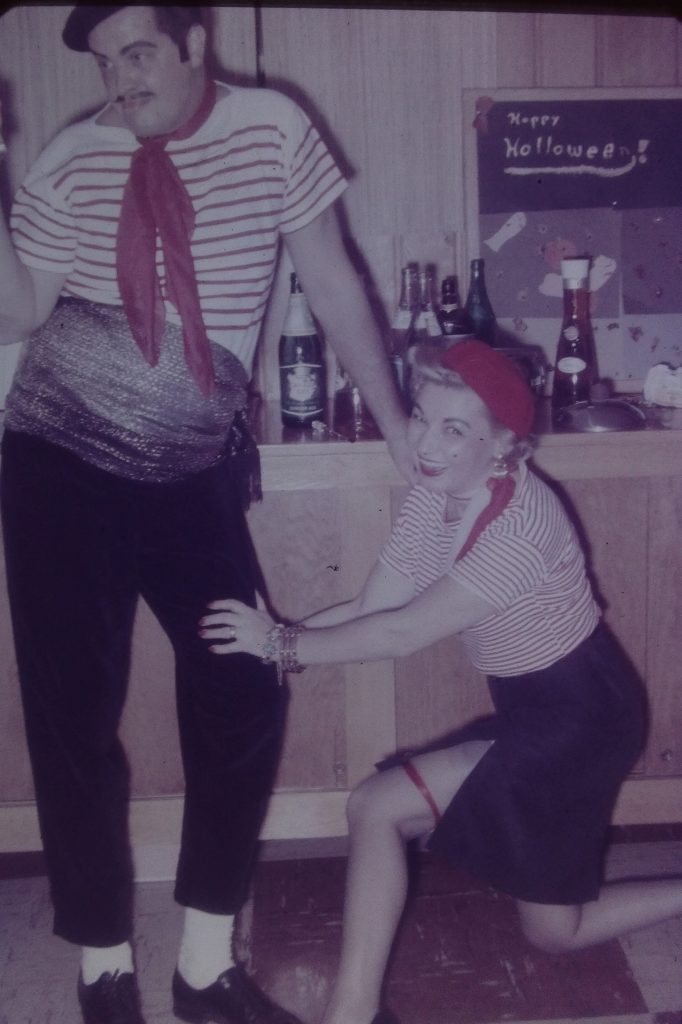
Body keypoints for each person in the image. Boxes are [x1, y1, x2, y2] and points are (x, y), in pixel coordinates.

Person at [0, 6, 412, 1024]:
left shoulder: (272, 128)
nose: (120, 81)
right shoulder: (67, 157)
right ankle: (102, 969)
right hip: (55, 462)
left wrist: (402, 430)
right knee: (72, 718)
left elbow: (329, 272)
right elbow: (18, 309)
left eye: (137, 53)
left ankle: (202, 964)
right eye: (104, 64)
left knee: (243, 684)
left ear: (195, 42)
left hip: (190, 469)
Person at [201, 339, 682, 1024]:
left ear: (503, 444)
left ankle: (351, 1014)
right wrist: (280, 638)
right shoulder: (441, 491)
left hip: (581, 717)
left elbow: (400, 636)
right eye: (423, 416)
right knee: (554, 932)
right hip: (538, 710)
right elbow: (375, 609)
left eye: (453, 429)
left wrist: (281, 646)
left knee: (377, 806)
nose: (424, 441)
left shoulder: (520, 523)